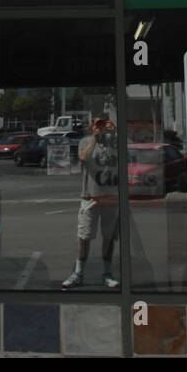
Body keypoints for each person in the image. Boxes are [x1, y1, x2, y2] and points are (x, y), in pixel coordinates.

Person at [62, 118, 120, 289]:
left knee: (109, 237)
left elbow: (126, 155)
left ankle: (107, 273)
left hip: (111, 197)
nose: (101, 127)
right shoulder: (86, 141)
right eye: (97, 125)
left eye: (104, 124)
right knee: (84, 236)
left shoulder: (115, 142)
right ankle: (78, 273)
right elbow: (83, 157)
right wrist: (95, 137)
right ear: (91, 127)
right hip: (90, 197)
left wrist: (114, 132)